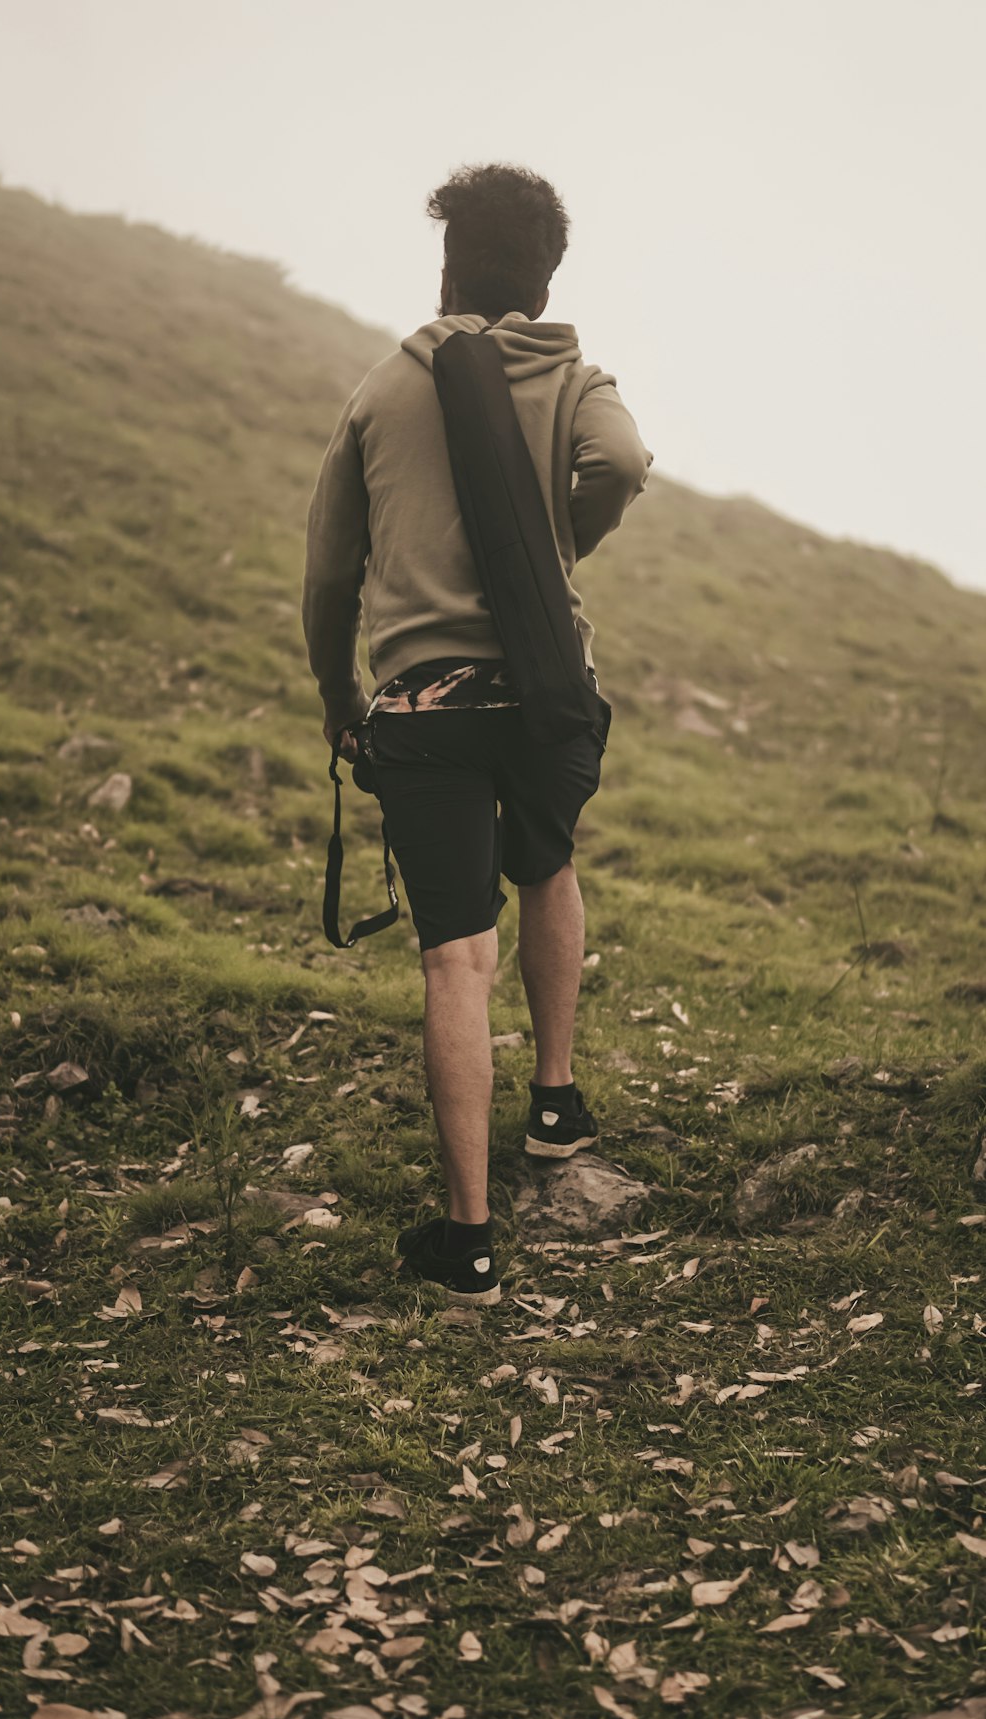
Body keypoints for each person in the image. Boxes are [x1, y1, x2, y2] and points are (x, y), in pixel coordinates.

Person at [302, 161, 652, 1305]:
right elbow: (623, 465)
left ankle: (470, 1241)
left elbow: (328, 572)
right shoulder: (575, 374)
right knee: (548, 861)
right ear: (546, 279)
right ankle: (553, 1101)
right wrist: (556, 552)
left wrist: (335, 696)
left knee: (457, 952)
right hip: (548, 694)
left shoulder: (381, 390)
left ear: (447, 268)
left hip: (422, 704)